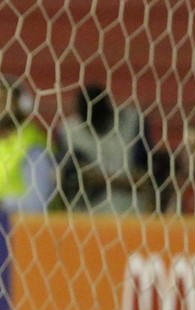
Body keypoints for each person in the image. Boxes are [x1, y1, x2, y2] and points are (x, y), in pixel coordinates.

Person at [54, 83, 152, 214]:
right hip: (83, 217)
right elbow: (60, 180)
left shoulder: (132, 124)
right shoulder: (67, 131)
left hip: (127, 213)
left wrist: (97, 178)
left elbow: (146, 180)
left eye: (97, 121)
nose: (93, 128)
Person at [0, 75, 57, 213]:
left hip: (27, 230)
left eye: (5, 101)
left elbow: (37, 203)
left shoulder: (33, 145)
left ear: (23, 105)